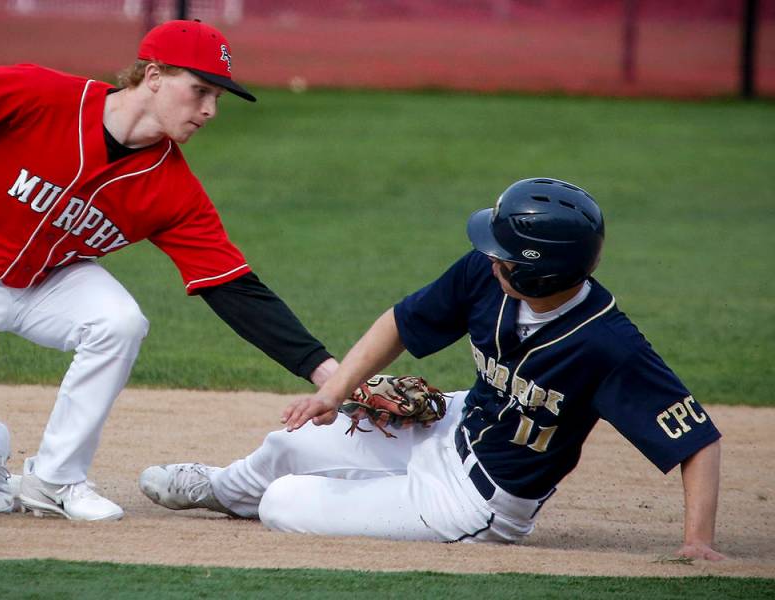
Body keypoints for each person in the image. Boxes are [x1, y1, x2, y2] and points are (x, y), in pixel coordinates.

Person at [0, 19, 338, 521]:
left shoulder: (173, 188)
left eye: (218, 97)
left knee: (119, 321)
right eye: (200, 90)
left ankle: (55, 479)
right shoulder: (45, 94)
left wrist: (329, 372)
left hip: (53, 281)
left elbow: (232, 287)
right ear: (153, 75)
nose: (209, 110)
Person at [139, 177, 724, 560]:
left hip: (477, 503)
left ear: (533, 273)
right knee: (288, 442)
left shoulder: (608, 345)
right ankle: (221, 489)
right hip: (454, 424)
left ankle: (356, 496)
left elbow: (695, 439)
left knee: (285, 503)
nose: (487, 252)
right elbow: (400, 320)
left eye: (501, 251)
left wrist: (697, 542)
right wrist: (333, 391)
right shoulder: (485, 274)